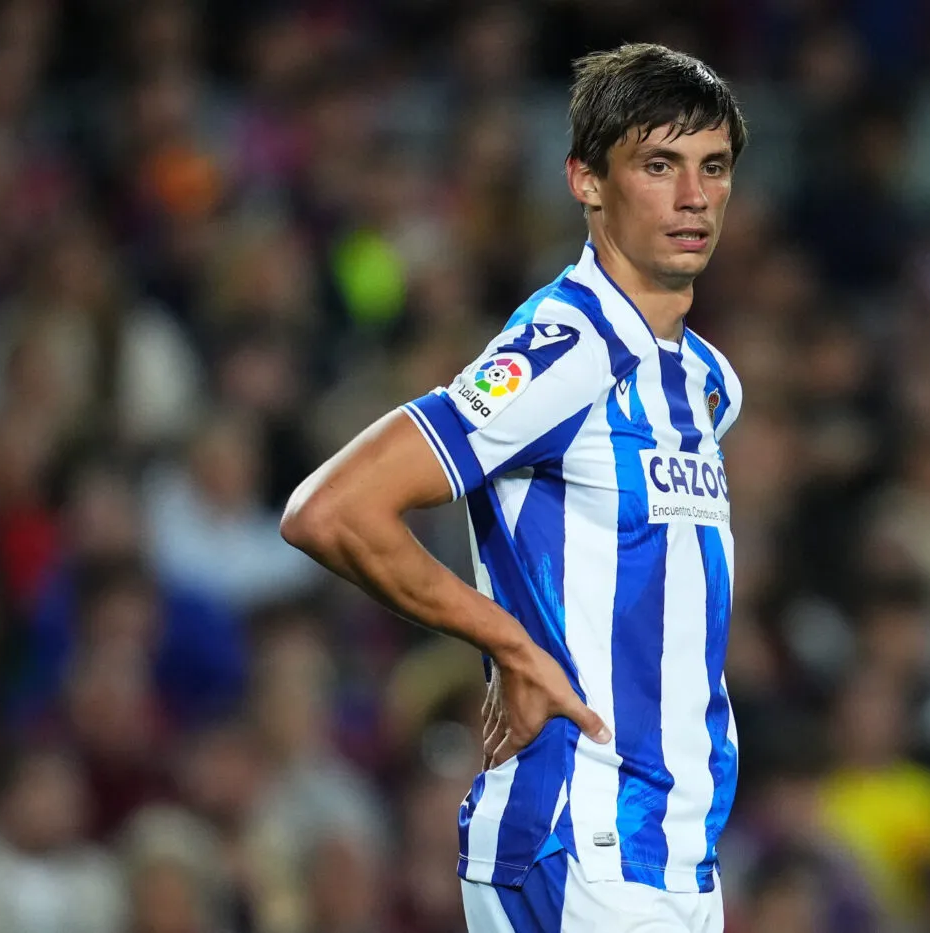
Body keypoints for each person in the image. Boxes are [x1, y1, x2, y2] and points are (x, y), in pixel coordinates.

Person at [282, 42, 746, 933]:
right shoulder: (569, 347)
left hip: (675, 852)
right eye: (659, 165)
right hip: (581, 838)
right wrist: (512, 645)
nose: (693, 196)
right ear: (587, 181)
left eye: (713, 167)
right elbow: (331, 510)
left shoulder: (706, 381)